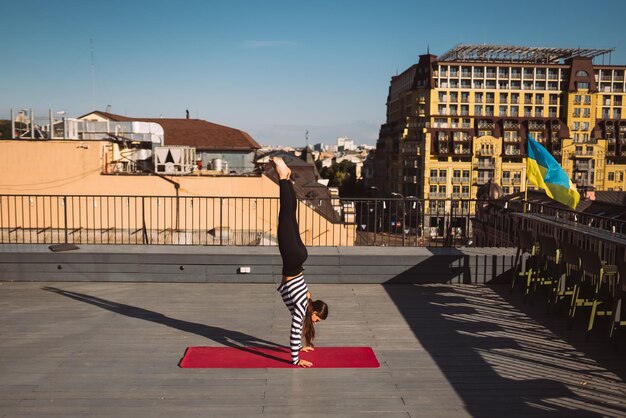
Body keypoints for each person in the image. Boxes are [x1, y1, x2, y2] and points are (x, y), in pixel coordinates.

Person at [271, 156, 329, 368]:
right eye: (317, 319)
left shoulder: (307, 299)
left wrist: (303, 346)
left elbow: (301, 326)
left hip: (299, 259)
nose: (315, 322)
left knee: (290, 215)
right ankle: (283, 177)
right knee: (286, 215)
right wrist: (296, 359)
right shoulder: (302, 306)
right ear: (313, 312)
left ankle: (285, 177)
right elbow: (294, 332)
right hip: (292, 259)